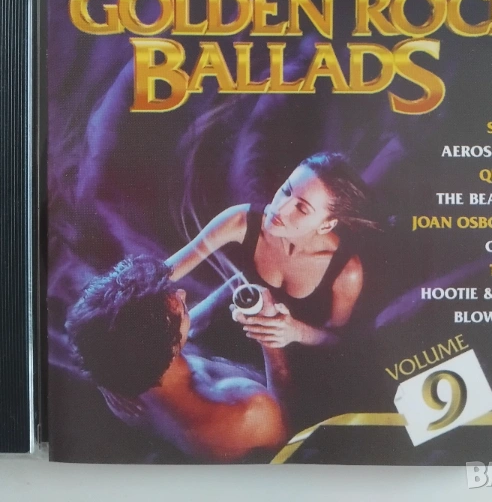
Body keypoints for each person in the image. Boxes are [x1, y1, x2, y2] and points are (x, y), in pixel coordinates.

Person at [66, 256, 287, 462]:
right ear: (169, 345)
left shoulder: (120, 377)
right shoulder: (248, 412)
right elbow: (291, 427)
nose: (182, 293)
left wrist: (104, 384)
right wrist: (269, 335)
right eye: (182, 310)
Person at [168, 152, 376, 350]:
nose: (280, 208)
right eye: (286, 191)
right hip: (228, 330)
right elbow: (165, 272)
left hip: (293, 355)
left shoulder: (346, 270)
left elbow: (338, 340)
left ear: (326, 225)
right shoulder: (241, 220)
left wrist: (298, 332)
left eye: (301, 208)